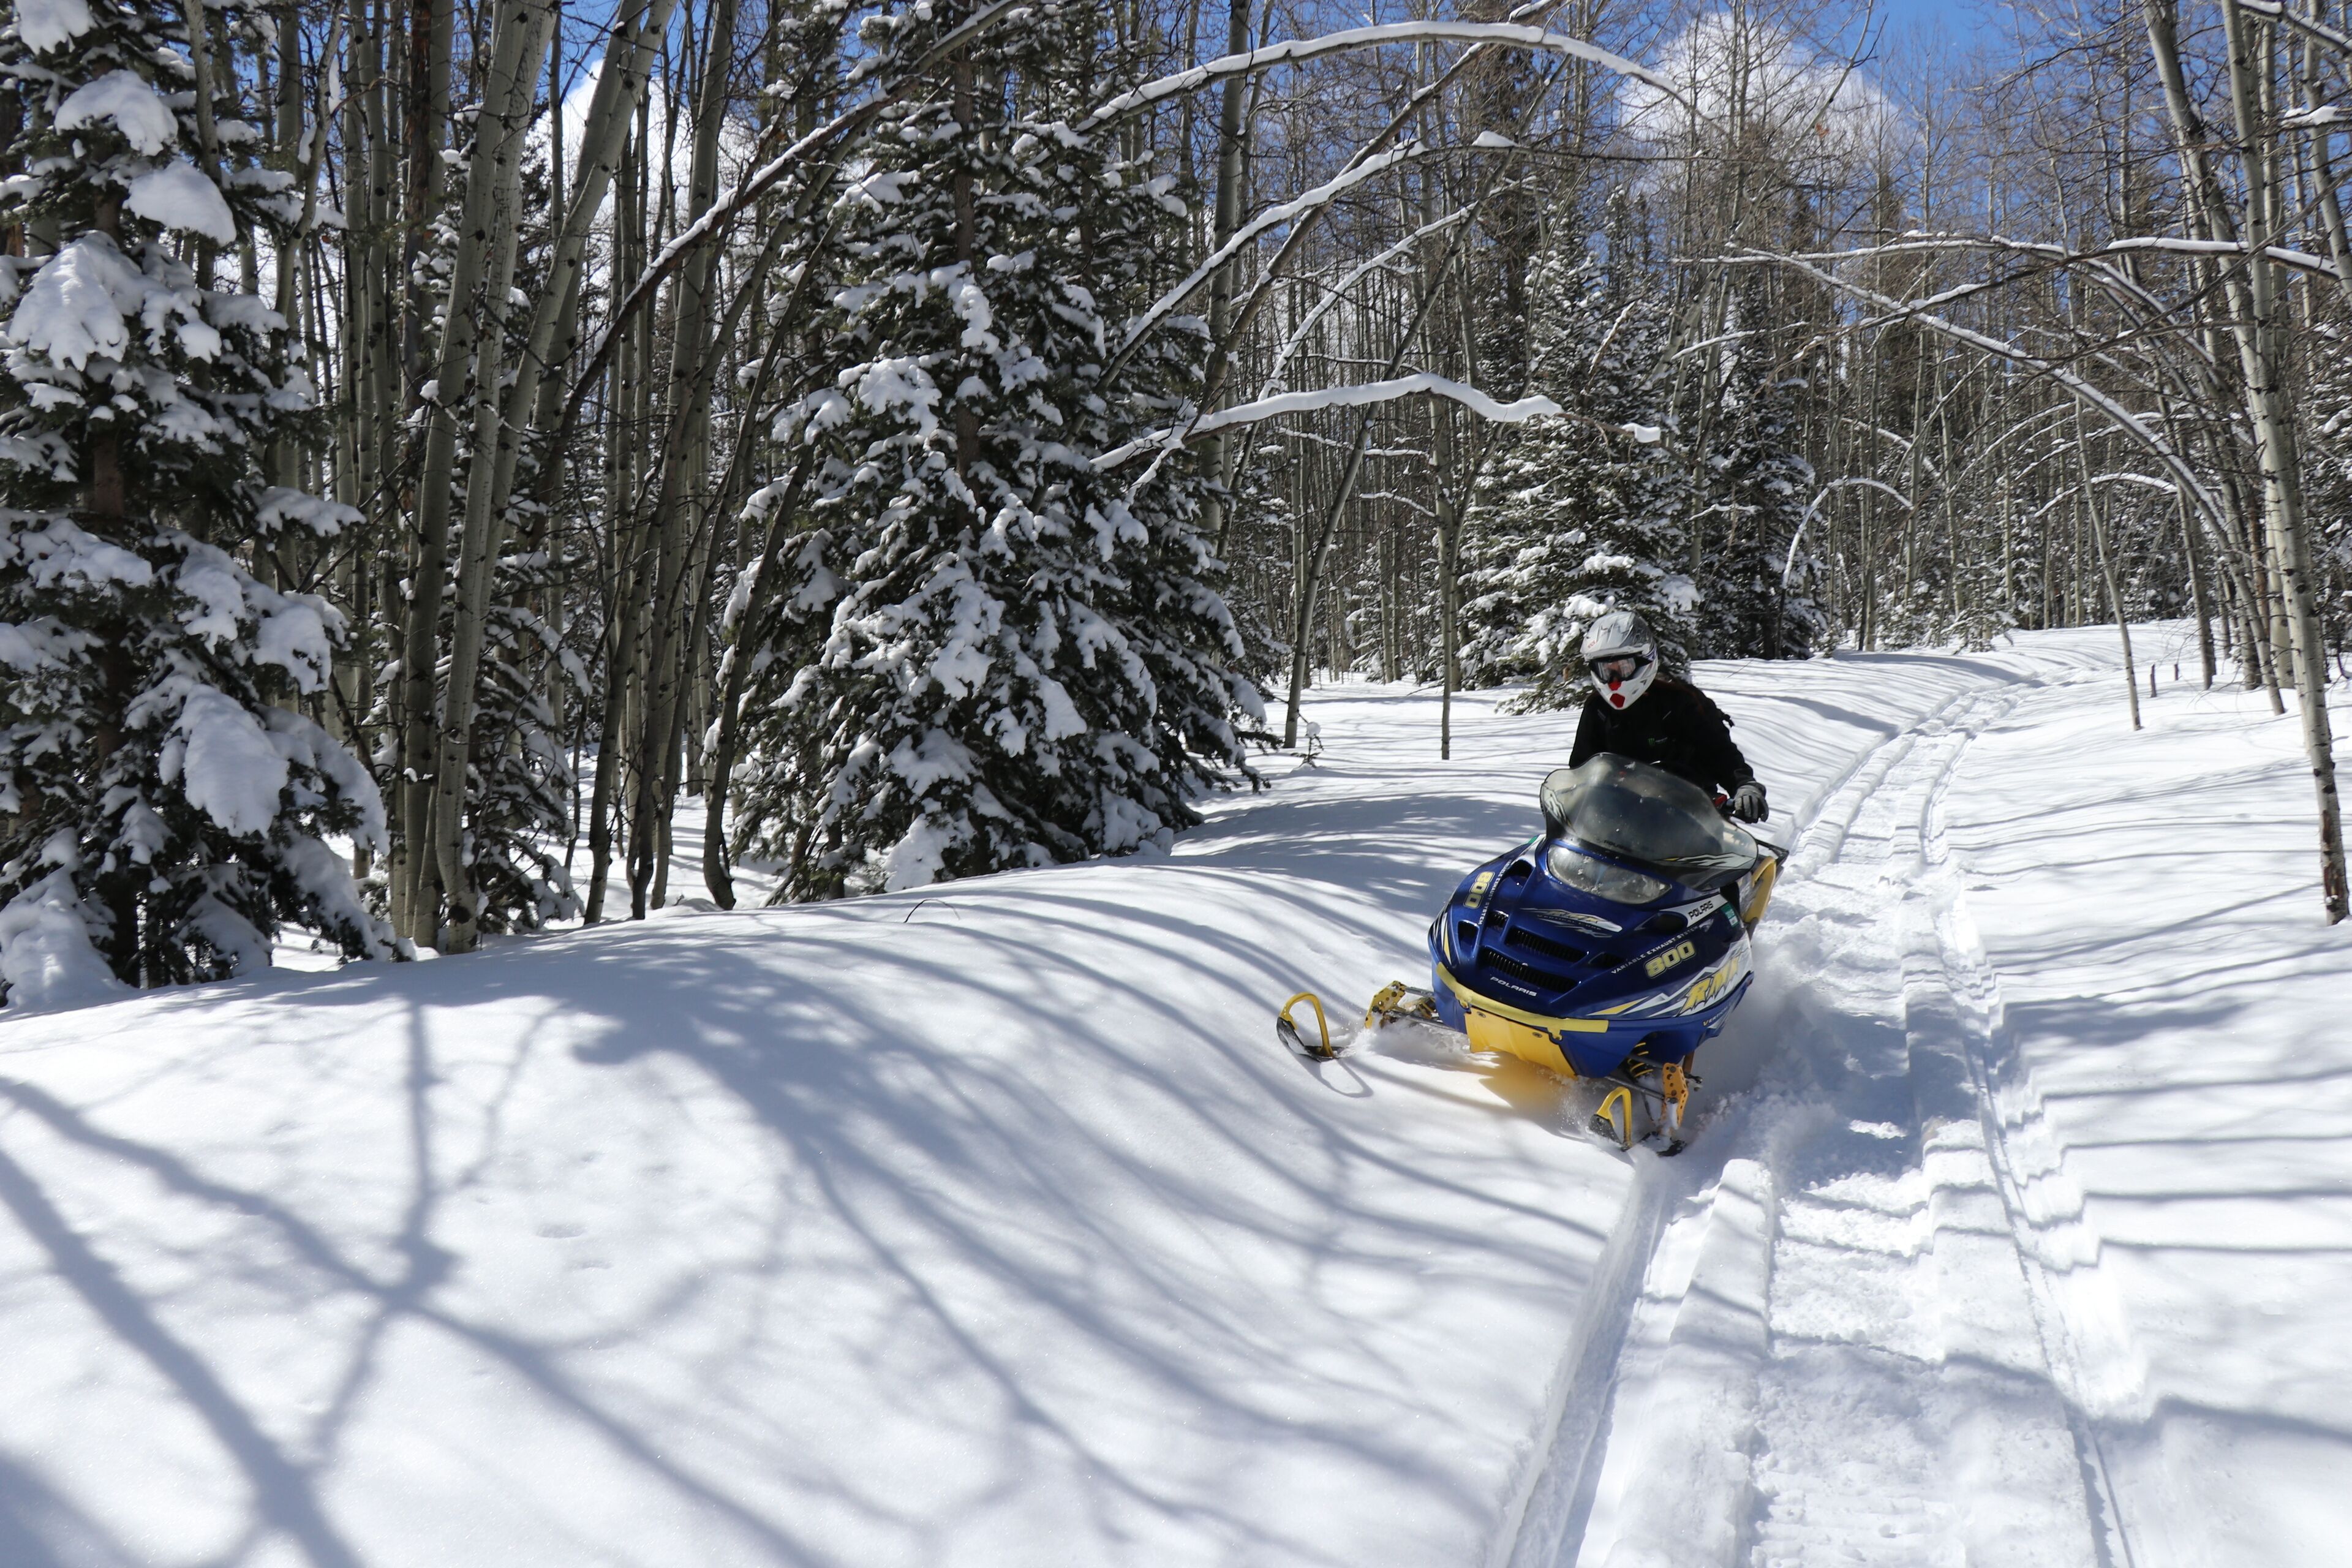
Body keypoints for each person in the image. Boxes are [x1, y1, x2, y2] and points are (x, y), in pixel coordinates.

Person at [1567, 609, 1769, 822]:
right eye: (1607, 670)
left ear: (1645, 660)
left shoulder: (1680, 700)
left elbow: (1720, 752)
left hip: (1692, 819)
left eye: (1624, 667)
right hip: (1620, 822)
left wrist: (1744, 786)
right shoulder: (1597, 710)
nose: (1615, 679)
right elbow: (1581, 770)